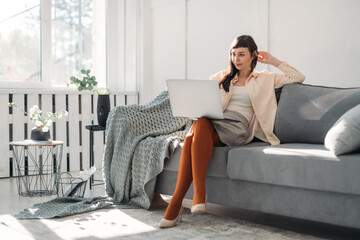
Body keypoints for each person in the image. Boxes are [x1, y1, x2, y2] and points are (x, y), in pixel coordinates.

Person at [158, 35, 305, 228]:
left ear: (253, 55)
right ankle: (197, 195)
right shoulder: (220, 77)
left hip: (239, 127)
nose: (236, 59)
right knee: (198, 126)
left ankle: (178, 203)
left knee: (193, 136)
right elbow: (204, 103)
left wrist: (273, 61)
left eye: (242, 54)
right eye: (234, 54)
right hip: (215, 121)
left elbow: (298, 77)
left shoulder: (265, 79)